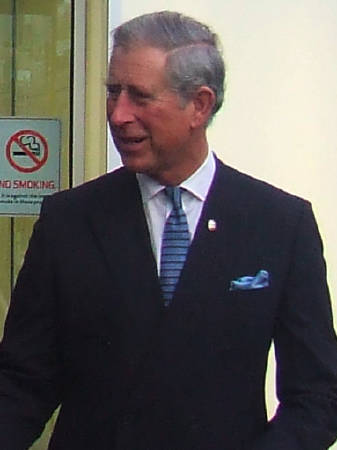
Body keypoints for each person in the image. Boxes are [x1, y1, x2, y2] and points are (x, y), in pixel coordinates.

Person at [0, 10, 337, 450]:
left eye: (139, 96)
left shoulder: (278, 224)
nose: (118, 115)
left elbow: (318, 395)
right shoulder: (71, 220)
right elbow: (24, 383)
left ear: (199, 104)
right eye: (112, 92)